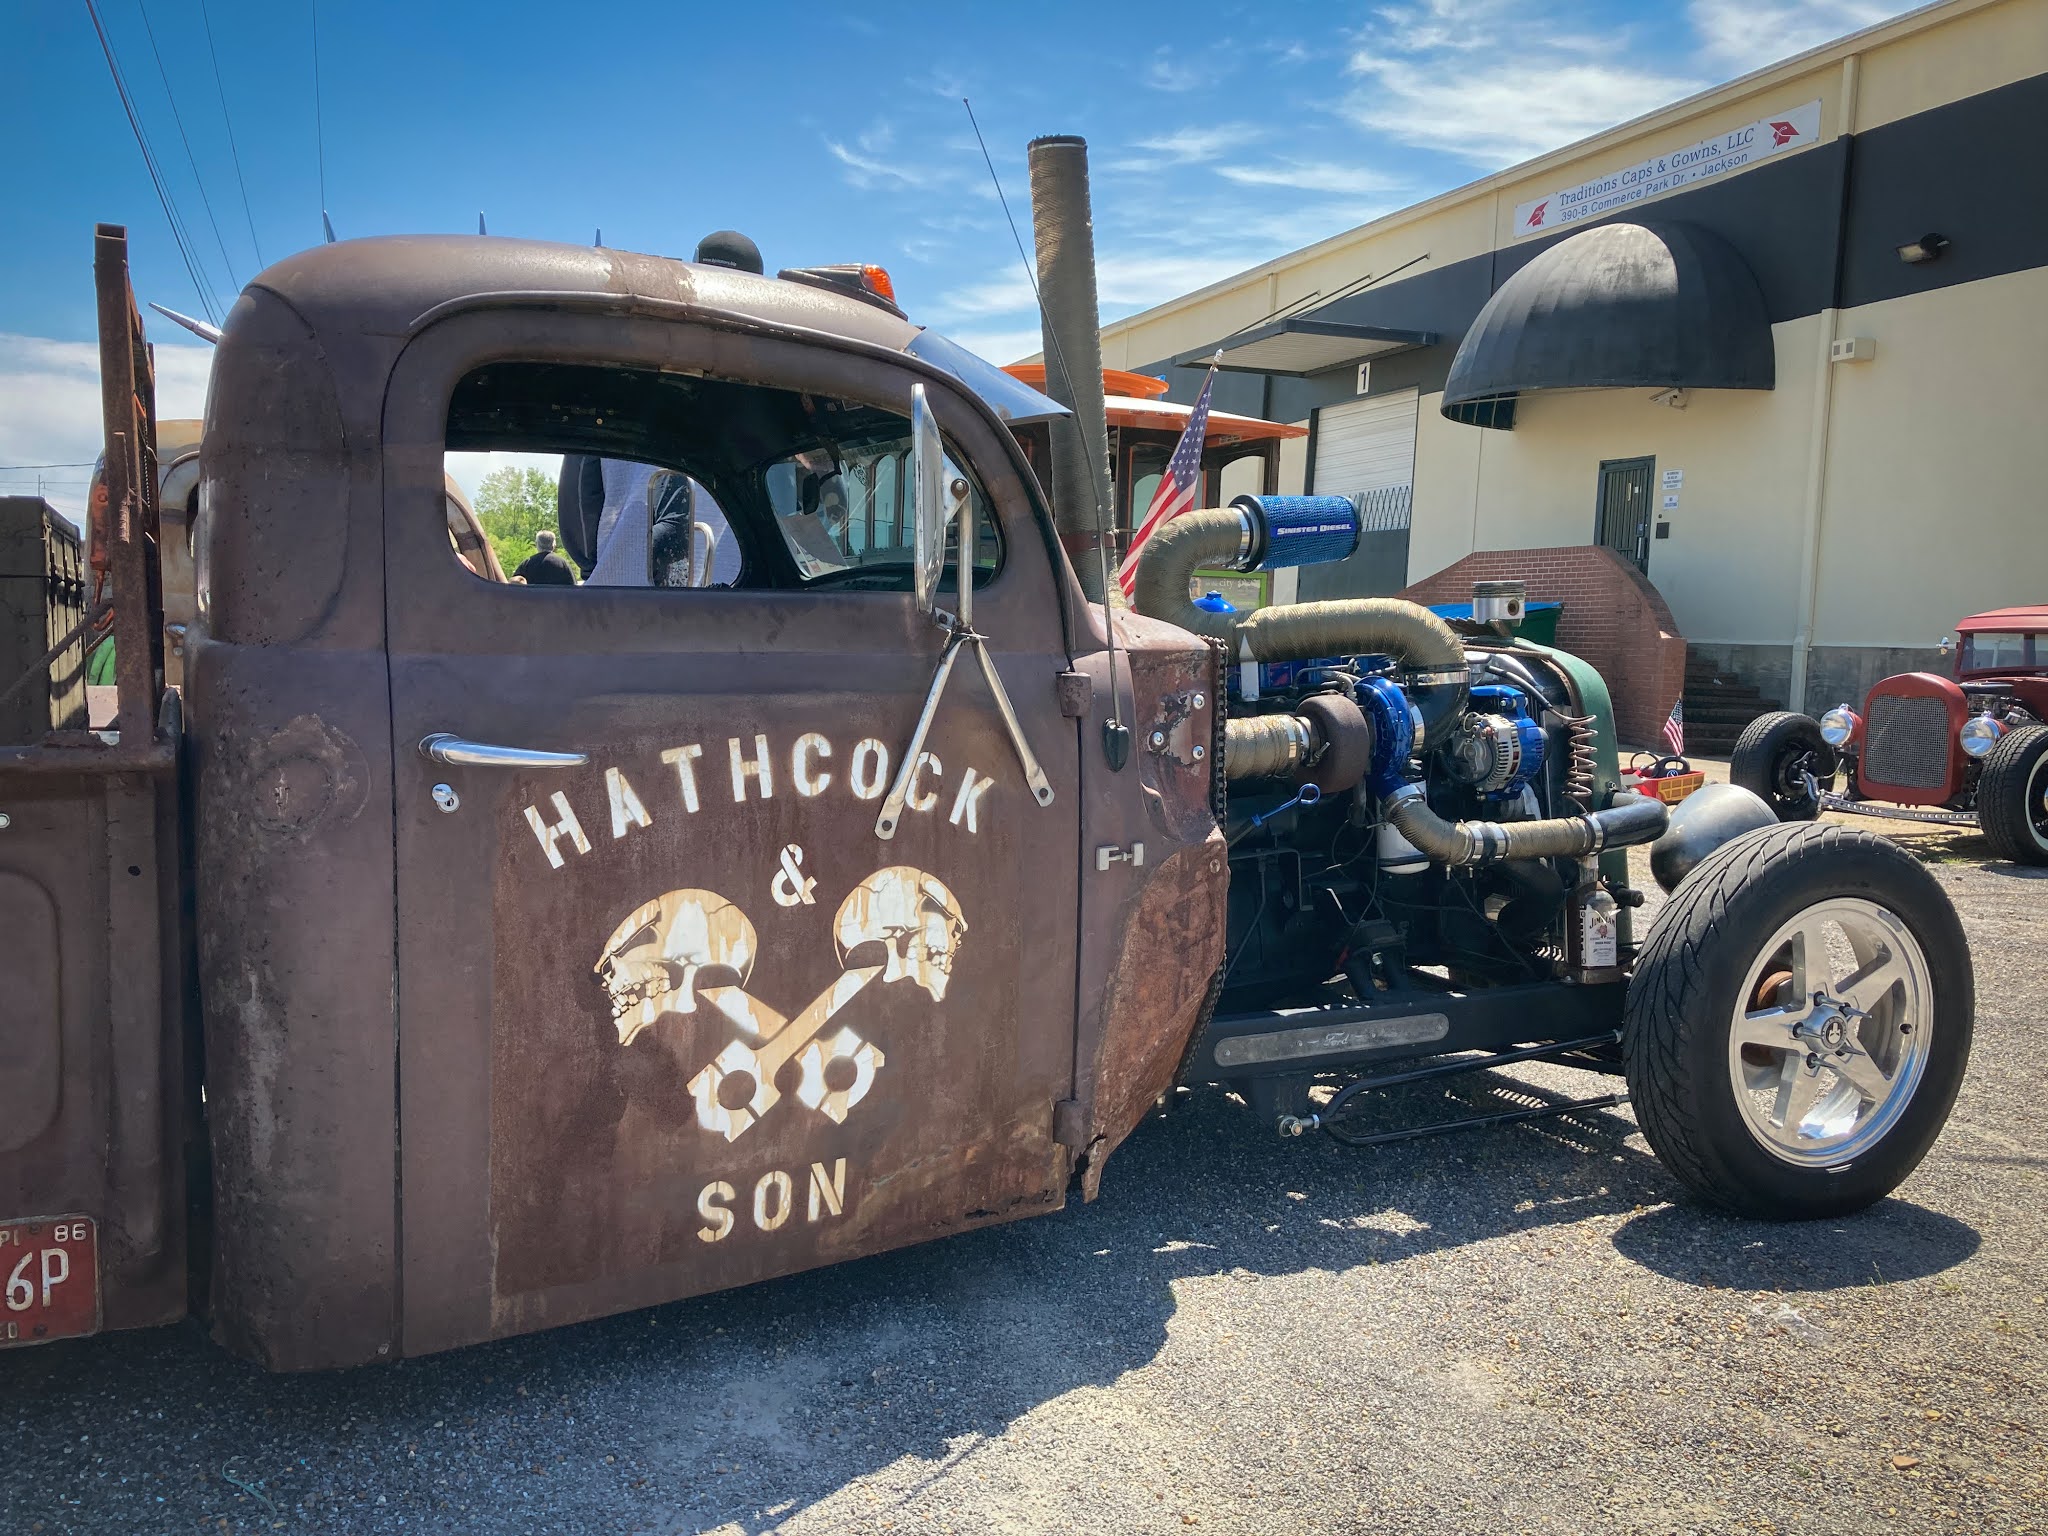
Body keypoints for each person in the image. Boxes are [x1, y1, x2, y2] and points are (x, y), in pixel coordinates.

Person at [513, 528, 578, 586]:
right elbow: (573, 587)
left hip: (533, 599)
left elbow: (513, 585)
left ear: (537, 544)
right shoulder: (563, 564)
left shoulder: (527, 563)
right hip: (556, 599)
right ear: (554, 545)